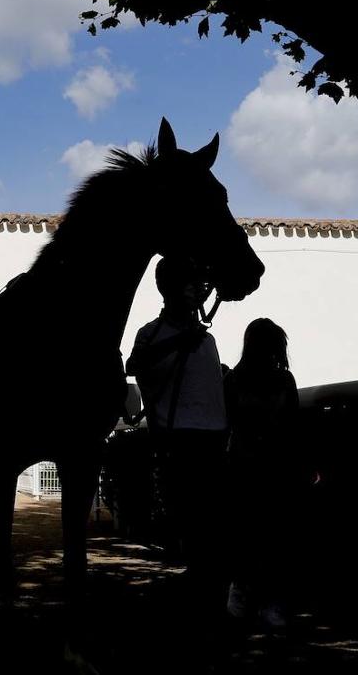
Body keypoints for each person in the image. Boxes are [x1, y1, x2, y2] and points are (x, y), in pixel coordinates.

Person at [126, 256, 229, 621]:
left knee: (206, 518)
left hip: (212, 436)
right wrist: (179, 344)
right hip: (178, 437)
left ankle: (203, 586)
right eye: (188, 283)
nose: (196, 290)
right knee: (193, 516)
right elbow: (134, 366)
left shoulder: (205, 338)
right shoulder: (152, 334)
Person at [223, 318, 302, 631]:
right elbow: (293, 427)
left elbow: (225, 424)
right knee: (275, 537)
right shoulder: (285, 381)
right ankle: (271, 602)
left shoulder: (233, 381)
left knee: (247, 534)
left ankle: (242, 595)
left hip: (244, 467)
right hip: (275, 469)